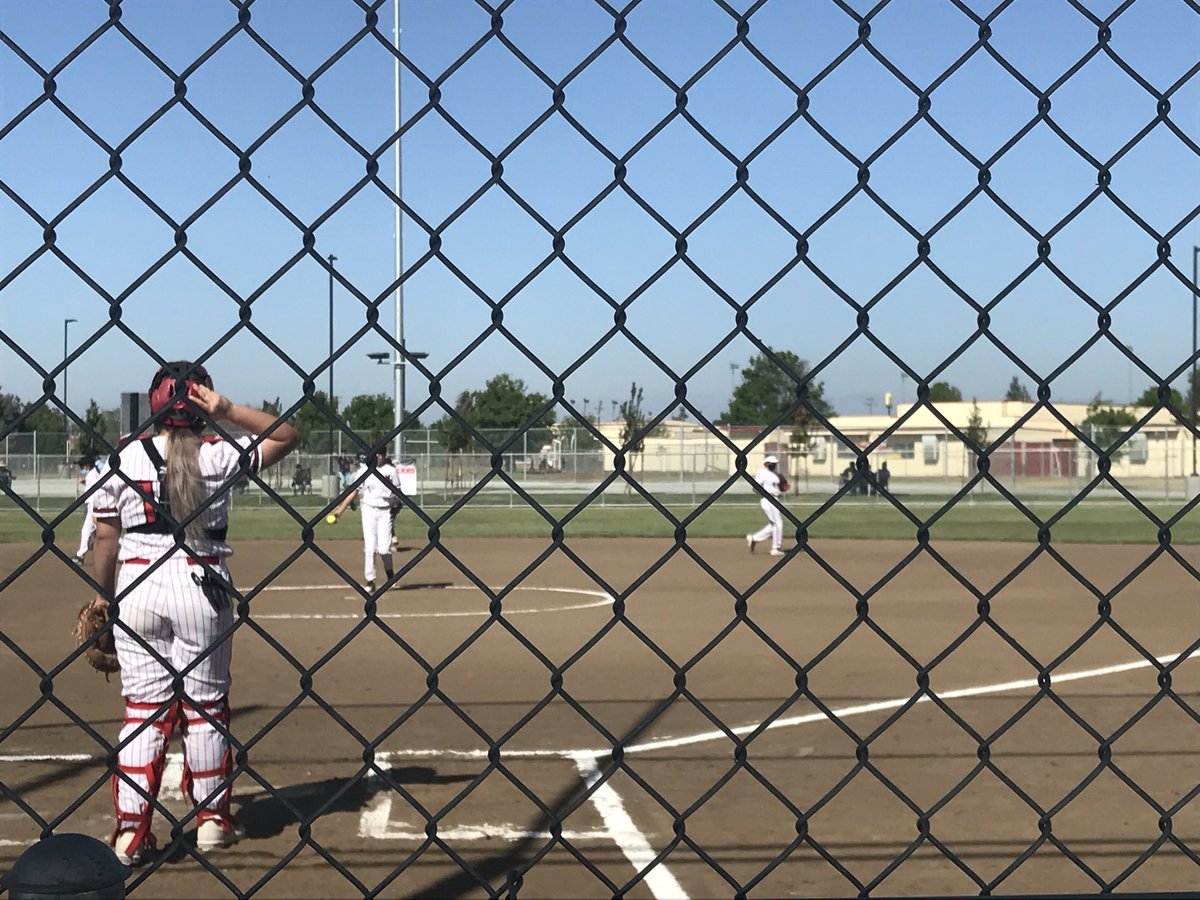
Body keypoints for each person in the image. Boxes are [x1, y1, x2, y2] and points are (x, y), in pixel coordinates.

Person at [88, 361, 298, 867]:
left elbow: (105, 537)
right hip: (203, 583)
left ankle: (132, 835)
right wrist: (227, 409)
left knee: (143, 711)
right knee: (204, 706)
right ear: (202, 404)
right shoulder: (219, 453)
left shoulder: (124, 456)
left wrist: (104, 598)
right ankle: (211, 822)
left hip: (138, 585)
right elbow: (286, 435)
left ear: (153, 407)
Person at [330, 449, 402, 592]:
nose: (379, 457)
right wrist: (340, 510)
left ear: (385, 456)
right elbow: (354, 491)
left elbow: (398, 493)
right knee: (370, 547)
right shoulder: (364, 471)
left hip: (384, 512)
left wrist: (395, 501)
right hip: (368, 511)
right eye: (376, 454)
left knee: (384, 549)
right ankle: (370, 580)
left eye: (381, 454)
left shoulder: (391, 471)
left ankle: (390, 574)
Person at [745, 454, 785, 557]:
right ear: (766, 464)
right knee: (778, 523)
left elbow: (780, 487)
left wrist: (783, 487)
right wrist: (765, 493)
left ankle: (754, 539)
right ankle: (775, 548)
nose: (774, 465)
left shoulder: (775, 474)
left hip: (776, 499)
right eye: (772, 463)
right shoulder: (762, 473)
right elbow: (755, 487)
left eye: (775, 464)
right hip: (767, 500)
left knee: (773, 524)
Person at [73, 454, 105, 565]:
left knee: (88, 531)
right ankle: (80, 555)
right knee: (99, 531)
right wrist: (85, 482)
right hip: (93, 505)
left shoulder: (92, 475)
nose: (81, 469)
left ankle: (80, 556)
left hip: (94, 505)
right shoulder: (92, 474)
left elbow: (99, 487)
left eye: (82, 467)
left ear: (87, 466)